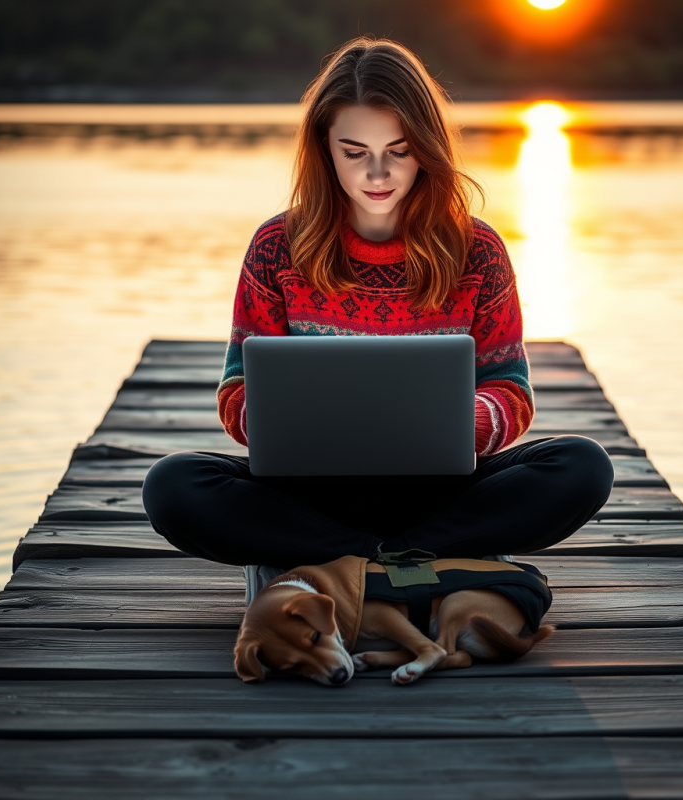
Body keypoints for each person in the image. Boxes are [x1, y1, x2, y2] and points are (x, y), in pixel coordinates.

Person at [142, 37, 614, 580]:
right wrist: (293, 427)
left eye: (399, 149)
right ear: (324, 149)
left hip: (440, 490)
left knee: (581, 466)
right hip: (309, 492)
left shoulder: (477, 250)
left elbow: (509, 387)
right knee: (173, 485)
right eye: (355, 152)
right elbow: (236, 391)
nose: (377, 174)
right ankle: (397, 557)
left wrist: (449, 428)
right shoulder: (277, 246)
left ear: (427, 146)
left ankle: (361, 557)